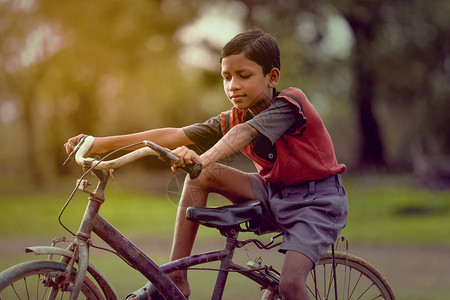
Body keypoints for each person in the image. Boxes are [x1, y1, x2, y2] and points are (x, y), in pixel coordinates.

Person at [65, 29, 348, 300]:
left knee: (290, 284)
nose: (232, 85)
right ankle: (175, 276)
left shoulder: (290, 102)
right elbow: (174, 135)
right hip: (274, 193)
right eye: (226, 77)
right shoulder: (235, 116)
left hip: (317, 203)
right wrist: (99, 142)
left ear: (272, 76)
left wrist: (202, 158)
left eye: (243, 75)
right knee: (202, 176)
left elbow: (244, 133)